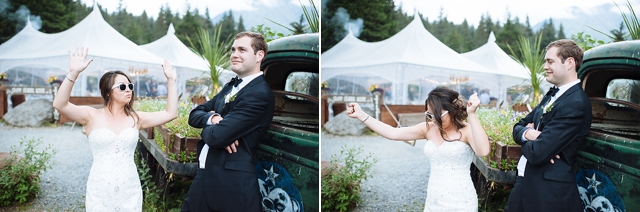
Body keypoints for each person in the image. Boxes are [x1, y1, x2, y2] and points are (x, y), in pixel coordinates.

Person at [52, 47, 178, 211]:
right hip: (100, 188)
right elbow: (59, 104)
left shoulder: (136, 118)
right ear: (108, 93)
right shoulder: (91, 116)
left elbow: (171, 113)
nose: (128, 90)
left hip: (129, 188)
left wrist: (171, 81)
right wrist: (74, 73)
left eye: (130, 86)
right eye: (122, 86)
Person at [347, 86, 490, 211]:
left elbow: (483, 151)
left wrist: (472, 114)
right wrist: (362, 115)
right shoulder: (428, 129)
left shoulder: (467, 130)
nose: (433, 119)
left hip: (461, 200)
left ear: (451, 110)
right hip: (433, 199)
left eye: (437, 115)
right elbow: (393, 133)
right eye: (429, 115)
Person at [181, 31, 275, 211]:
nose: (234, 55)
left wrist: (213, 130)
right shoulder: (230, 86)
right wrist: (214, 118)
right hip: (206, 176)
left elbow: (217, 137)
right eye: (233, 50)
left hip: (231, 186)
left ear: (259, 55)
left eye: (242, 50)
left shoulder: (259, 94)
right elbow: (194, 114)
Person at [506, 39, 592, 212]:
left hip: (547, 194)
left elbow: (538, 152)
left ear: (569, 62)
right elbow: (518, 126)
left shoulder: (576, 103)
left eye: (550, 61)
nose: (545, 66)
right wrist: (529, 134)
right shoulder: (552, 94)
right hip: (526, 181)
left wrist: (528, 137)